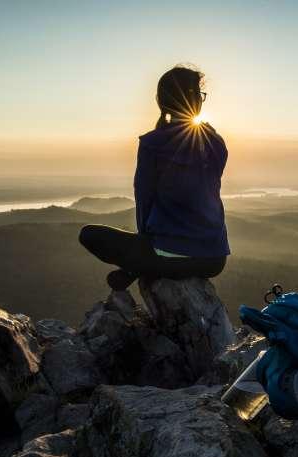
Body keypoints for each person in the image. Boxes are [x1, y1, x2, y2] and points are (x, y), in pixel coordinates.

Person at [79, 65, 230, 291]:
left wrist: (145, 245)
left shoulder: (153, 144)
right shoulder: (216, 143)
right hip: (214, 260)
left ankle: (139, 268)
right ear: (196, 101)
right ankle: (140, 267)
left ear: (163, 101)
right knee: (151, 250)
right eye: (200, 95)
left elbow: (144, 200)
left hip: (168, 252)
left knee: (89, 234)